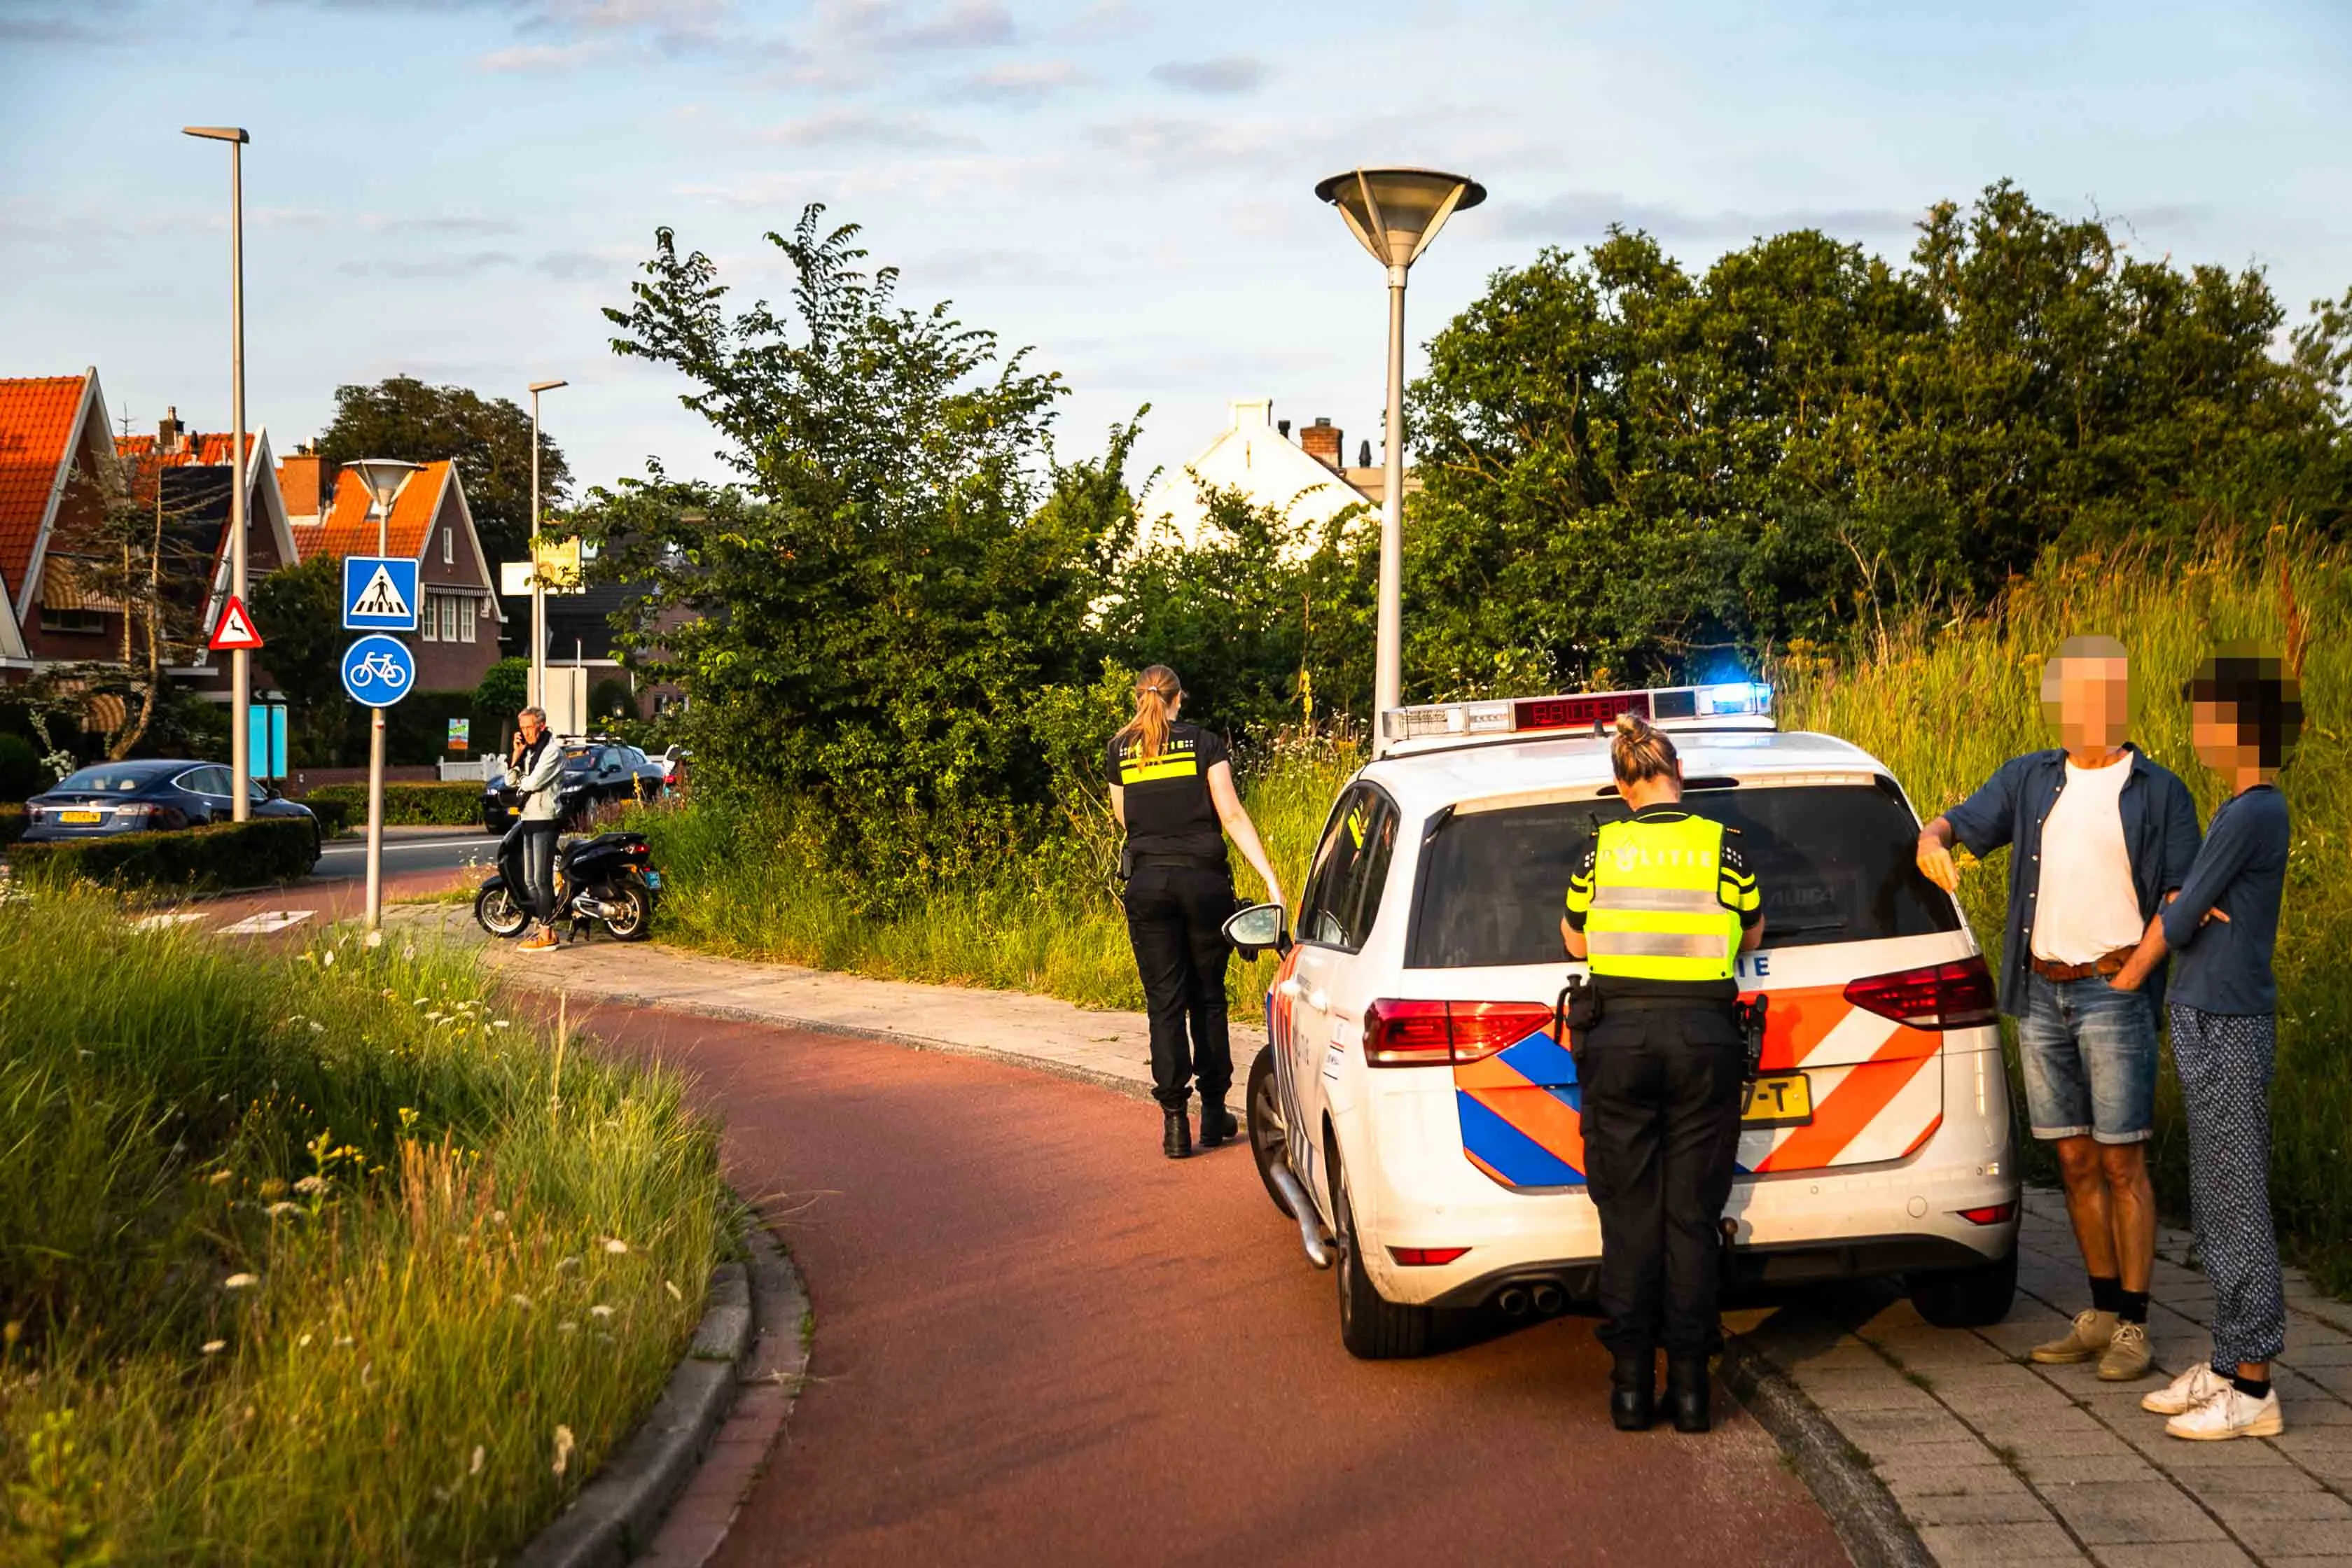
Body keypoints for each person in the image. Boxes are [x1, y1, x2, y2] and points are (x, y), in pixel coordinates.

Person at [1916, 636, 2199, 1382]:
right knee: (2072, 1159)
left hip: (2114, 991)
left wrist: (2134, 973)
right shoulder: (2029, 778)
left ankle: (2135, 1322)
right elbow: (1953, 823)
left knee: (2121, 1159)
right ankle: (2100, 1310)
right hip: (2039, 994)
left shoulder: (2160, 791)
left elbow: (2180, 897)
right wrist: (1929, 838)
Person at [2111, 650, 2300, 1441]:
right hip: (2201, 1013)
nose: (2196, 729)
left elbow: (2182, 915)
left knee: (2235, 1196)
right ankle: (2225, 1361)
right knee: (2216, 1191)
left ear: (2239, 724)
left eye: (2205, 714)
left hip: (2224, 1017)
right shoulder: (2236, 810)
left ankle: (2252, 1384)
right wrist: (2187, 900)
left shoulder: (2255, 808)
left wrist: (2132, 968)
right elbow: (2186, 901)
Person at [1560, 712, 1763, 1434]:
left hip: (1617, 1039)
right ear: (1676, 772)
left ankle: (1626, 1390)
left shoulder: (1601, 848)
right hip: (1703, 1039)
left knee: (1627, 1217)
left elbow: (1576, 934)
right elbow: (1751, 927)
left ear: (1623, 784)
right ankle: (1690, 1393)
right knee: (1690, 1216)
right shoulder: (1721, 846)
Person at [1106, 666, 1285, 1160]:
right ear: (1178, 698)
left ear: (1139, 698)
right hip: (1203, 883)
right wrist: (1269, 878)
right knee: (1207, 997)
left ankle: (1173, 1124)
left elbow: (1126, 819)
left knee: (1164, 1001)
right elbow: (1229, 814)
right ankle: (1212, 1112)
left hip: (1147, 885)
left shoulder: (1120, 750)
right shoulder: (1204, 744)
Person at [504, 707, 567, 953]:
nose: (525, 733)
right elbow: (511, 781)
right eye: (522, 728)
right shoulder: (530, 753)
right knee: (530, 879)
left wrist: (522, 782)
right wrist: (516, 753)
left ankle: (547, 933)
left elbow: (531, 783)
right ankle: (545, 928)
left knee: (542, 879)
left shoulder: (551, 752)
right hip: (529, 818)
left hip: (546, 818)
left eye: (529, 728)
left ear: (541, 726)